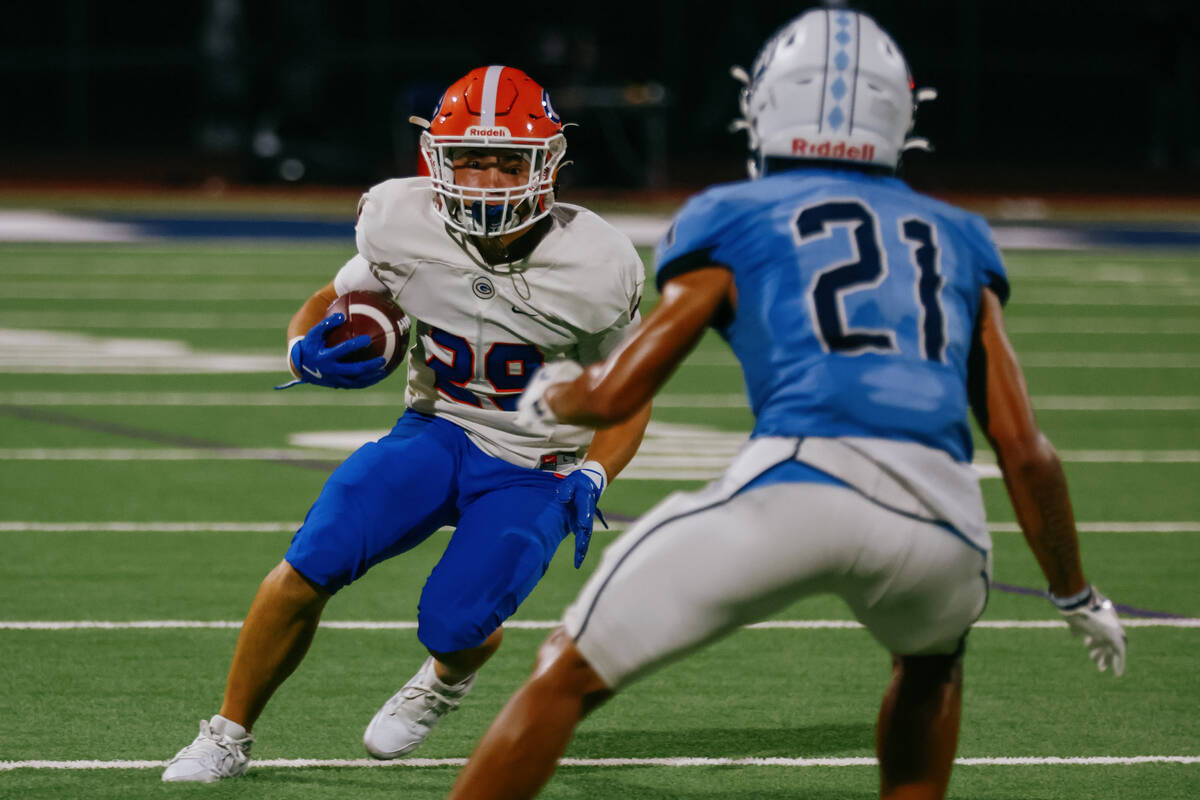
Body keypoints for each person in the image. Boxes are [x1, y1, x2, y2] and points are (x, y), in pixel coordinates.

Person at [447, 10, 1127, 800]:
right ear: (900, 114)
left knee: (566, 673)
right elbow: (1024, 449)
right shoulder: (959, 235)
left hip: (802, 481)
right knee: (931, 663)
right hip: (943, 521)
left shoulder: (731, 213)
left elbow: (623, 388)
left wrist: (569, 392)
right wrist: (1076, 592)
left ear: (766, 103)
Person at [161, 65, 650, 783]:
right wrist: (303, 348)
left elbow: (630, 395)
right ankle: (226, 733)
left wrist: (597, 471)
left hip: (533, 465)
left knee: (454, 626)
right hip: (433, 430)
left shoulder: (598, 262)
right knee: (309, 563)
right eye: (469, 159)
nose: (487, 179)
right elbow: (334, 295)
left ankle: (447, 676)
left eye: (507, 160)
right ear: (436, 160)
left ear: (547, 164)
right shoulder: (400, 218)